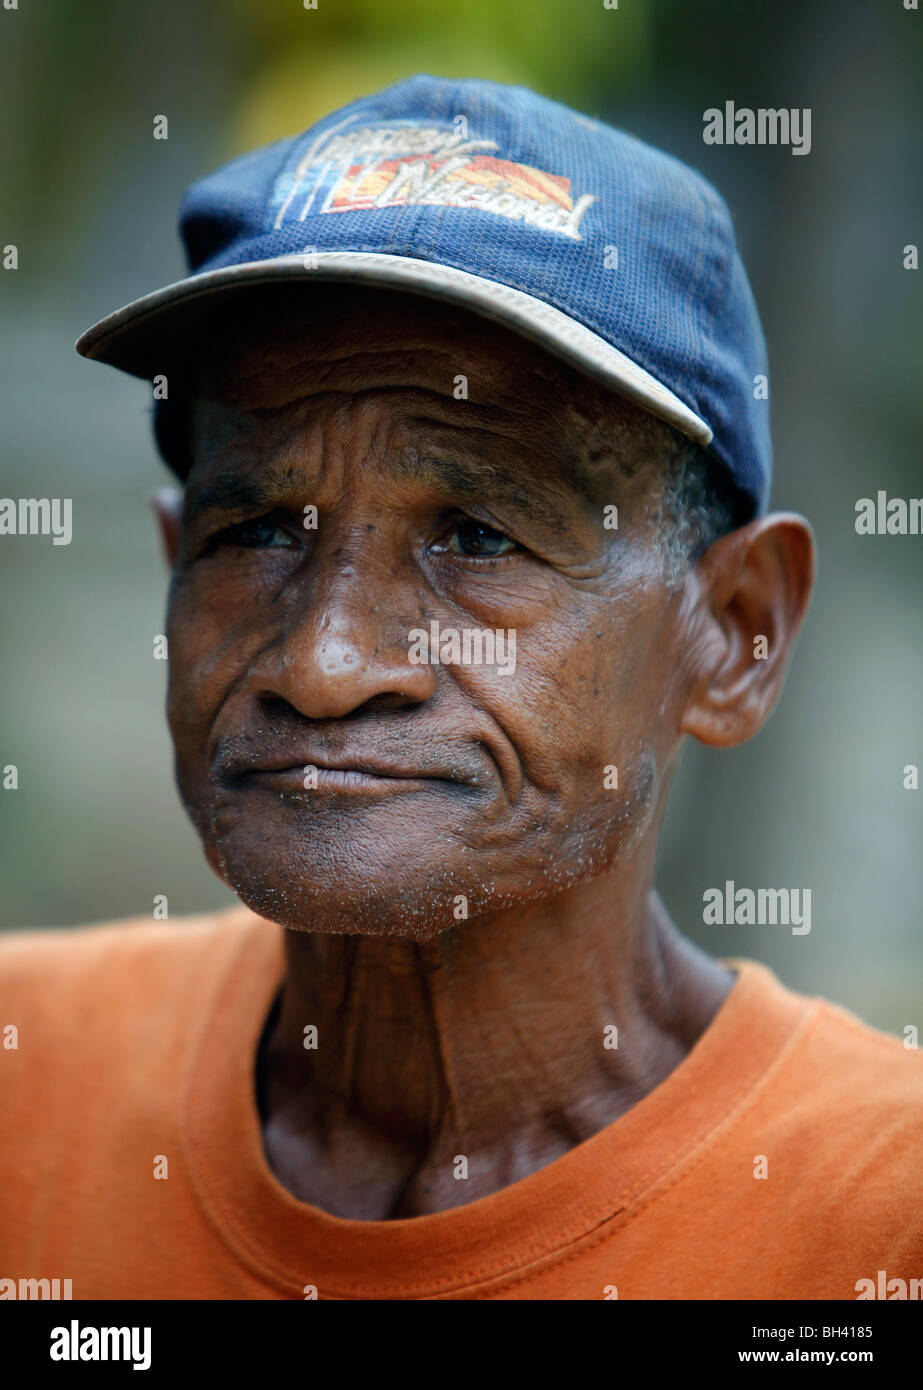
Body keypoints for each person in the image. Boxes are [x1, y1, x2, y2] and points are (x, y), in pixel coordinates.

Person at [1, 75, 919, 1302]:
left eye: (479, 537)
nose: (322, 664)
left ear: (733, 633)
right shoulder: (24, 1083)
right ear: (175, 565)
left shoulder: (877, 1225)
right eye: (259, 530)